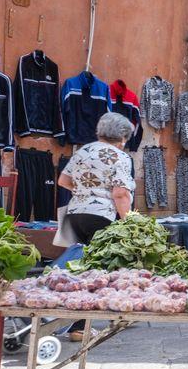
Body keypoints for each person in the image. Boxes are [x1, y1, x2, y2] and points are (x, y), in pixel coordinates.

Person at [56, 112, 135, 341]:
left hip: (74, 214)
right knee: (100, 269)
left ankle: (99, 316)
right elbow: (120, 193)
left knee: (76, 268)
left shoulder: (83, 150)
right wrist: (129, 221)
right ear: (121, 136)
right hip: (100, 216)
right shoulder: (119, 157)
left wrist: (86, 193)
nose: (125, 142)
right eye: (126, 138)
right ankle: (80, 327)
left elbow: (63, 181)